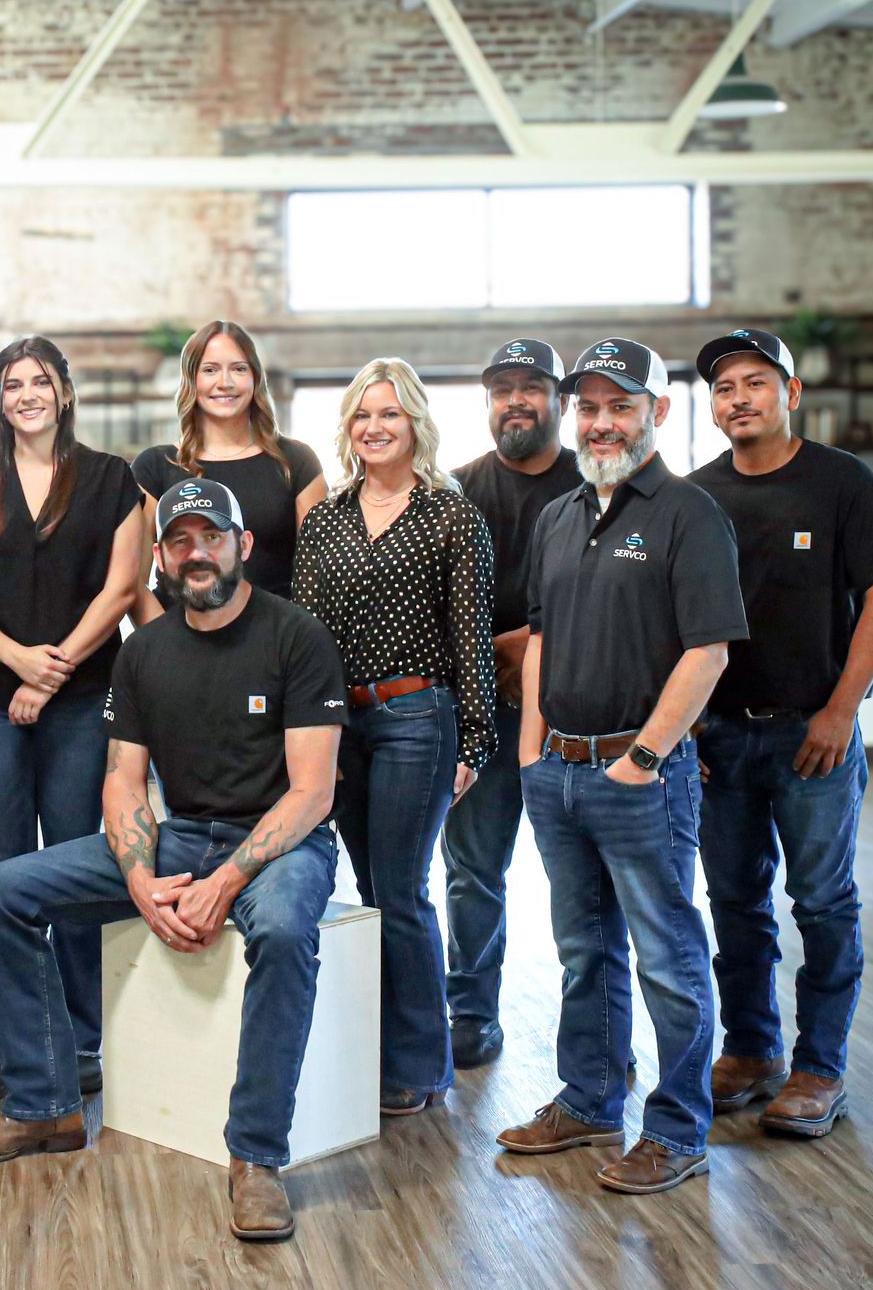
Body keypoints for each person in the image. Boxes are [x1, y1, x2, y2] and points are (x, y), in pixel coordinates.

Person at [0, 478, 347, 1244]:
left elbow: (312, 793)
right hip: (180, 834)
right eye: (181, 540)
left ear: (243, 544)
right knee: (4, 889)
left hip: (279, 842)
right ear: (159, 555)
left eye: (212, 536)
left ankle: (256, 1157)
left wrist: (227, 882)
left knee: (288, 931)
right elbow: (124, 782)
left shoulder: (297, 637)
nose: (198, 553)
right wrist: (140, 878)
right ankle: (44, 1104)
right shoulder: (145, 652)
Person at [497, 338, 746, 1195]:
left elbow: (707, 652)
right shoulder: (560, 515)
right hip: (557, 771)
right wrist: (531, 749)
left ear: (657, 413)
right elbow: (540, 641)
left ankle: (676, 1129)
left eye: (620, 406)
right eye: (590, 408)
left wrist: (643, 759)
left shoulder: (688, 514)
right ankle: (593, 1097)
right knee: (581, 950)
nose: (601, 424)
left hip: (641, 780)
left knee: (667, 956)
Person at [689, 328, 873, 1138]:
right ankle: (751, 1052)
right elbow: (677, 623)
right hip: (718, 739)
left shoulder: (841, 482)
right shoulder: (698, 494)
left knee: (821, 901)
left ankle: (821, 1067)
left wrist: (843, 707)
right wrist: (685, 731)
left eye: (754, 382)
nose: (738, 398)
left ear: (791, 393)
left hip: (815, 734)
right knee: (735, 903)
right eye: (724, 388)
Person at [0, 335, 143, 1103]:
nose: (27, 394)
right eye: (13, 383)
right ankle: (10, 1040)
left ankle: (84, 1037)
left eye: (40, 381)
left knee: (76, 865)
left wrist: (49, 673)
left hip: (83, 703)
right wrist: (19, 664)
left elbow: (121, 591)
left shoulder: (110, 480)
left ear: (63, 392)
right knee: (2, 867)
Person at [291, 358, 494, 1116]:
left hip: (417, 719)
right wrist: (305, 733)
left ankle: (419, 1063)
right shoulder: (327, 519)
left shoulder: (450, 515)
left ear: (415, 423)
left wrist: (476, 741)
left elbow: (470, 636)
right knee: (368, 891)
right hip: (340, 726)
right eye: (362, 415)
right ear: (348, 429)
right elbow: (306, 634)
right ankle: (374, 1045)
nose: (375, 427)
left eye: (390, 414)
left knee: (403, 890)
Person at [442, 339, 580, 1068]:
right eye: (502, 389)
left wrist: (535, 644)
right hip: (482, 715)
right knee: (471, 869)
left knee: (584, 881)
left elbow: (615, 603)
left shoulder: (597, 484)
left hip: (578, 717)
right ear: (487, 403)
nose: (516, 400)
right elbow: (432, 606)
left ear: (559, 400)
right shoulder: (456, 489)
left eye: (532, 386)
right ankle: (469, 1012)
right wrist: (507, 651)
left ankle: (596, 1030)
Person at [131, 320, 324, 621]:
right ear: (191, 380)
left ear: (255, 378)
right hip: (182, 644)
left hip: (275, 642)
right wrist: (163, 646)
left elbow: (316, 577)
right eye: (210, 370)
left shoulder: (295, 461)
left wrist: (293, 644)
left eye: (238, 368)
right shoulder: (155, 467)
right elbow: (133, 581)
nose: (225, 382)